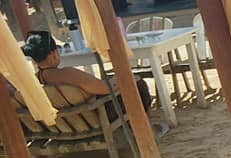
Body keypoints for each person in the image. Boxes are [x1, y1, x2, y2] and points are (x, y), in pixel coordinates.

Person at [22, 29, 153, 115]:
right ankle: (143, 125)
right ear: (53, 54)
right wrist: (123, 78)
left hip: (75, 120)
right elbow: (105, 88)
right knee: (138, 84)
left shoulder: (38, 79)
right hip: (97, 113)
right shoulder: (67, 74)